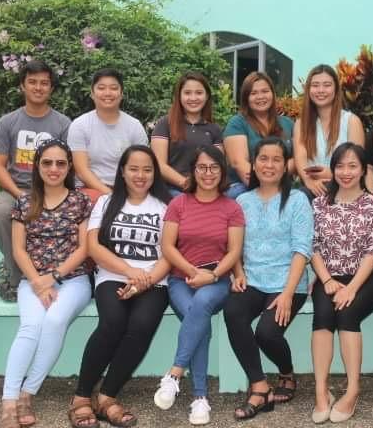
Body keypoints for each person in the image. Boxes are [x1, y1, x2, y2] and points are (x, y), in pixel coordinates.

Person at [69, 145, 171, 428]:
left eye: (147, 169)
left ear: (155, 173)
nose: (140, 175)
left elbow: (169, 254)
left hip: (154, 280)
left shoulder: (165, 207)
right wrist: (129, 272)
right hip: (113, 275)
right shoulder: (106, 201)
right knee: (112, 322)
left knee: (141, 325)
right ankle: (80, 397)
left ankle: (107, 397)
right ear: (123, 171)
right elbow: (93, 246)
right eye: (134, 169)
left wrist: (144, 280)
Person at [1, 139, 92, 428]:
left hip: (74, 280)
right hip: (32, 279)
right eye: (47, 163)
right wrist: (38, 282)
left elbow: (83, 249)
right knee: (30, 326)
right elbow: (18, 250)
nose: (54, 169)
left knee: (53, 321)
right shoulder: (25, 201)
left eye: (61, 163)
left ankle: (28, 394)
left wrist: (53, 277)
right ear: (37, 166)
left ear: (69, 167)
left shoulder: (80, 200)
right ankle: (8, 402)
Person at [153, 146, 244, 425]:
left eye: (214, 167)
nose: (208, 173)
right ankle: (200, 398)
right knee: (198, 316)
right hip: (182, 279)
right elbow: (167, 246)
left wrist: (213, 275)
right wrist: (192, 270)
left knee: (202, 303)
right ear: (193, 171)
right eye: (202, 167)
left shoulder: (232, 207)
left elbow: (234, 250)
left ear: (222, 171)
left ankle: (175, 373)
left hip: (216, 280)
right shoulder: (178, 203)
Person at [224, 137, 313, 420]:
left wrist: (287, 293)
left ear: (285, 165)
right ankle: (260, 386)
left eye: (276, 159)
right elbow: (234, 246)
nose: (269, 165)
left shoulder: (297, 199)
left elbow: (302, 249)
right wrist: (237, 273)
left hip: (288, 282)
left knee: (267, 333)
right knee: (233, 312)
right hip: (252, 279)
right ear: (254, 162)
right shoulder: (242, 201)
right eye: (263, 158)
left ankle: (286, 373)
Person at [309, 142, 373, 424]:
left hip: (364, 278)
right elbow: (312, 246)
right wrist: (327, 280)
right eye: (340, 165)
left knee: (347, 312)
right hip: (328, 277)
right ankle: (321, 391)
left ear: (363, 169)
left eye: (352, 166)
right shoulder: (319, 204)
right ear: (332, 169)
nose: (346, 171)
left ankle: (353, 389)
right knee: (323, 316)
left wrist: (352, 287)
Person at [0, 60, 71, 301]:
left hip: (52, 188)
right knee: (1, 213)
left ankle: (59, 277)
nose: (38, 87)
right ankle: (15, 278)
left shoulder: (63, 124)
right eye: (32, 82)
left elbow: (67, 165)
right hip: (17, 188)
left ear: (51, 89)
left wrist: (53, 194)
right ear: (22, 86)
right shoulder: (8, 122)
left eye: (44, 83)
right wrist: (19, 194)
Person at [67, 68, 148, 203]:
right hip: (90, 189)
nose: (108, 93)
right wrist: (110, 194)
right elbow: (81, 171)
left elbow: (142, 166)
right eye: (101, 88)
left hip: (127, 189)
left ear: (121, 94)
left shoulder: (134, 126)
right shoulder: (80, 125)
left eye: (114, 88)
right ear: (92, 93)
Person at [293, 64, 365, 198]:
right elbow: (300, 157)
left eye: (327, 85)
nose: (321, 90)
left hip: (345, 188)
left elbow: (358, 164)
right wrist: (309, 182)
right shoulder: (301, 124)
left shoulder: (351, 121)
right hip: (312, 189)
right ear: (308, 90)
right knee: (298, 197)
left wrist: (332, 174)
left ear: (336, 89)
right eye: (315, 85)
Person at [223, 72, 295, 199]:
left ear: (272, 93)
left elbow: (297, 159)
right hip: (244, 186)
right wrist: (268, 190)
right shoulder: (237, 123)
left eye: (265, 91)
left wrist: (275, 181)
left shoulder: (288, 123)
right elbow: (239, 163)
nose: (260, 97)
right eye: (253, 93)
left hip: (283, 185)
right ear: (246, 98)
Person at [151, 72, 223, 198]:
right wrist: (186, 183)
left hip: (206, 189)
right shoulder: (164, 124)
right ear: (179, 96)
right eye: (187, 93)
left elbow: (217, 165)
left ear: (207, 97)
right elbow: (159, 164)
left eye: (199, 93)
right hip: (172, 190)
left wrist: (203, 187)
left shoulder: (214, 129)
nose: (193, 98)